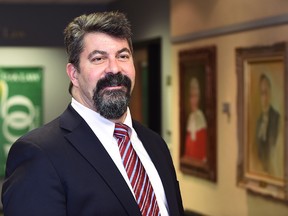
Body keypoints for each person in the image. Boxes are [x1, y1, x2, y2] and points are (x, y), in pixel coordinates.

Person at [1, 12, 184, 216]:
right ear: (74, 74)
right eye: (98, 58)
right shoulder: (39, 154)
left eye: (123, 56)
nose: (114, 69)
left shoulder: (155, 144)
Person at [255, 73, 280, 174]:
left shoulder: (277, 118)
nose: (264, 98)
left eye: (266, 93)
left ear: (270, 94)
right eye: (262, 93)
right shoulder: (258, 122)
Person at [184, 77, 207, 162]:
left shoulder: (200, 117)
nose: (193, 100)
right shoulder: (190, 117)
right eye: (191, 96)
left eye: (195, 96)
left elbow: (202, 145)